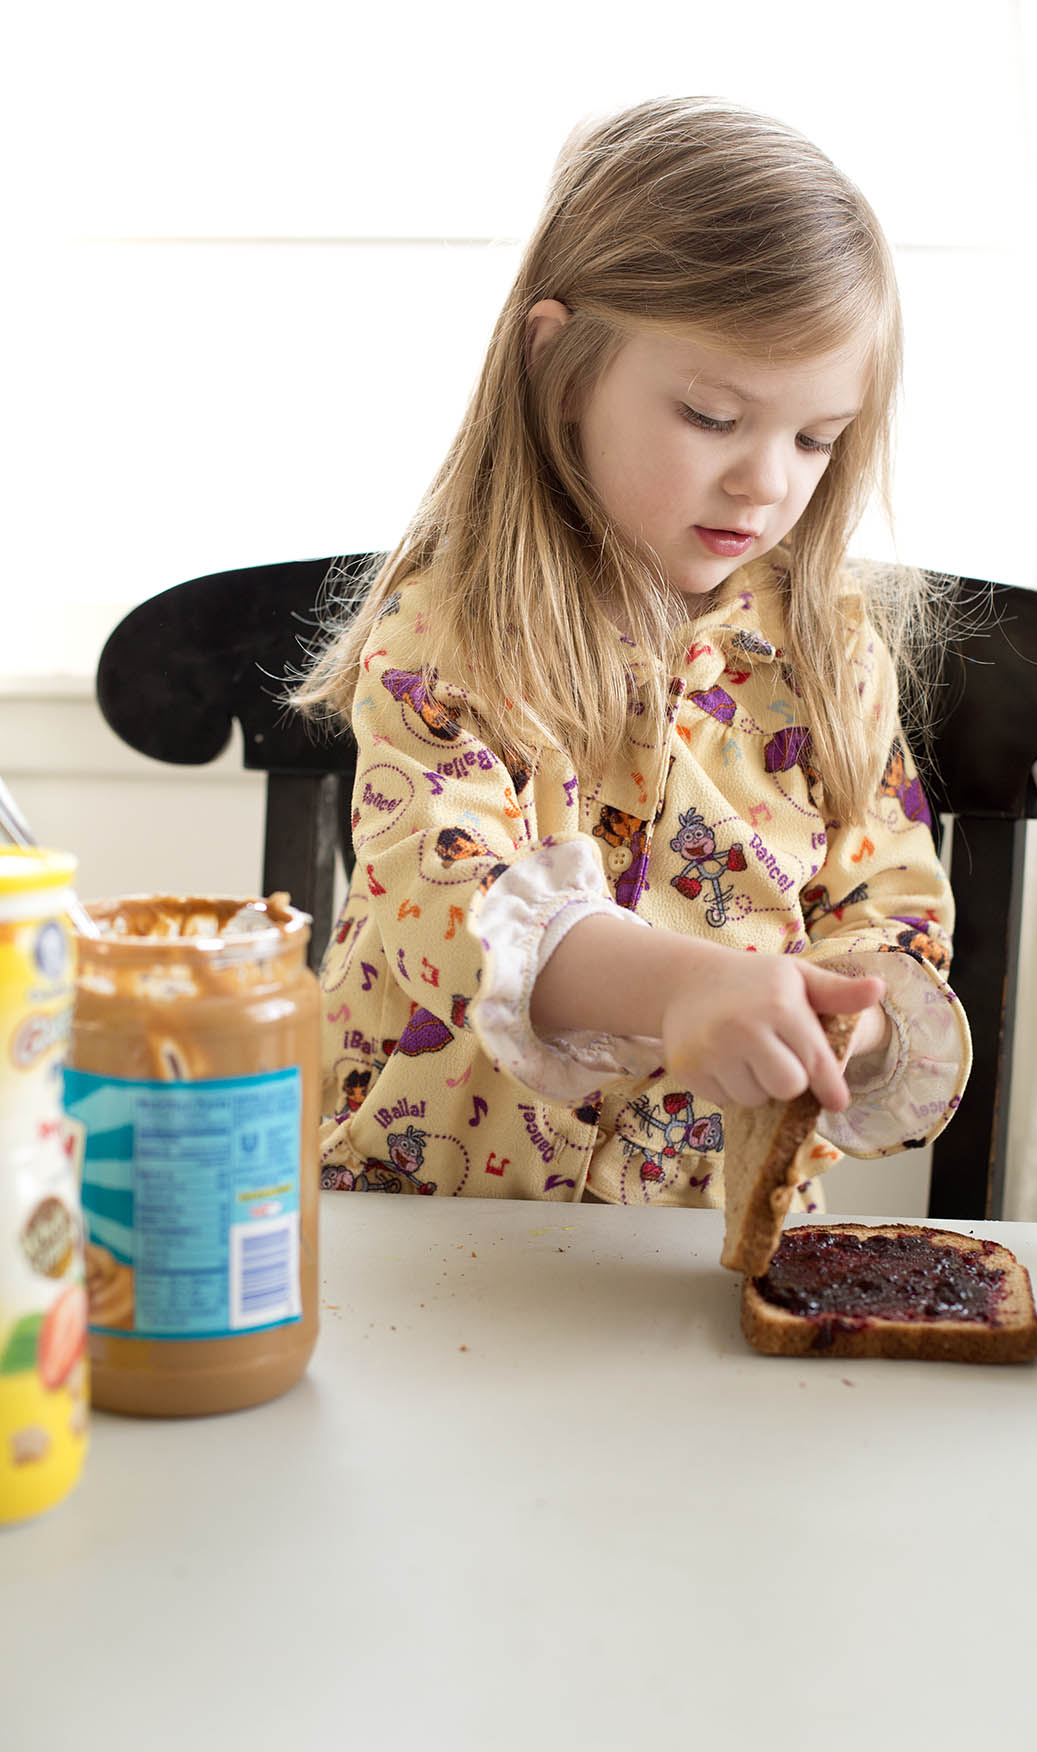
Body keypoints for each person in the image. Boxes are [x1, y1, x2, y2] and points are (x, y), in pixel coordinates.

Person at [294, 96, 971, 1207]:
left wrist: (838, 1015)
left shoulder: (827, 649)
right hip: (416, 1232)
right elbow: (450, 909)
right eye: (712, 416)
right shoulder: (449, 629)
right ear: (565, 372)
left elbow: (888, 911)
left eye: (814, 439)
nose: (767, 481)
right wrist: (685, 987)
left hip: (686, 1249)